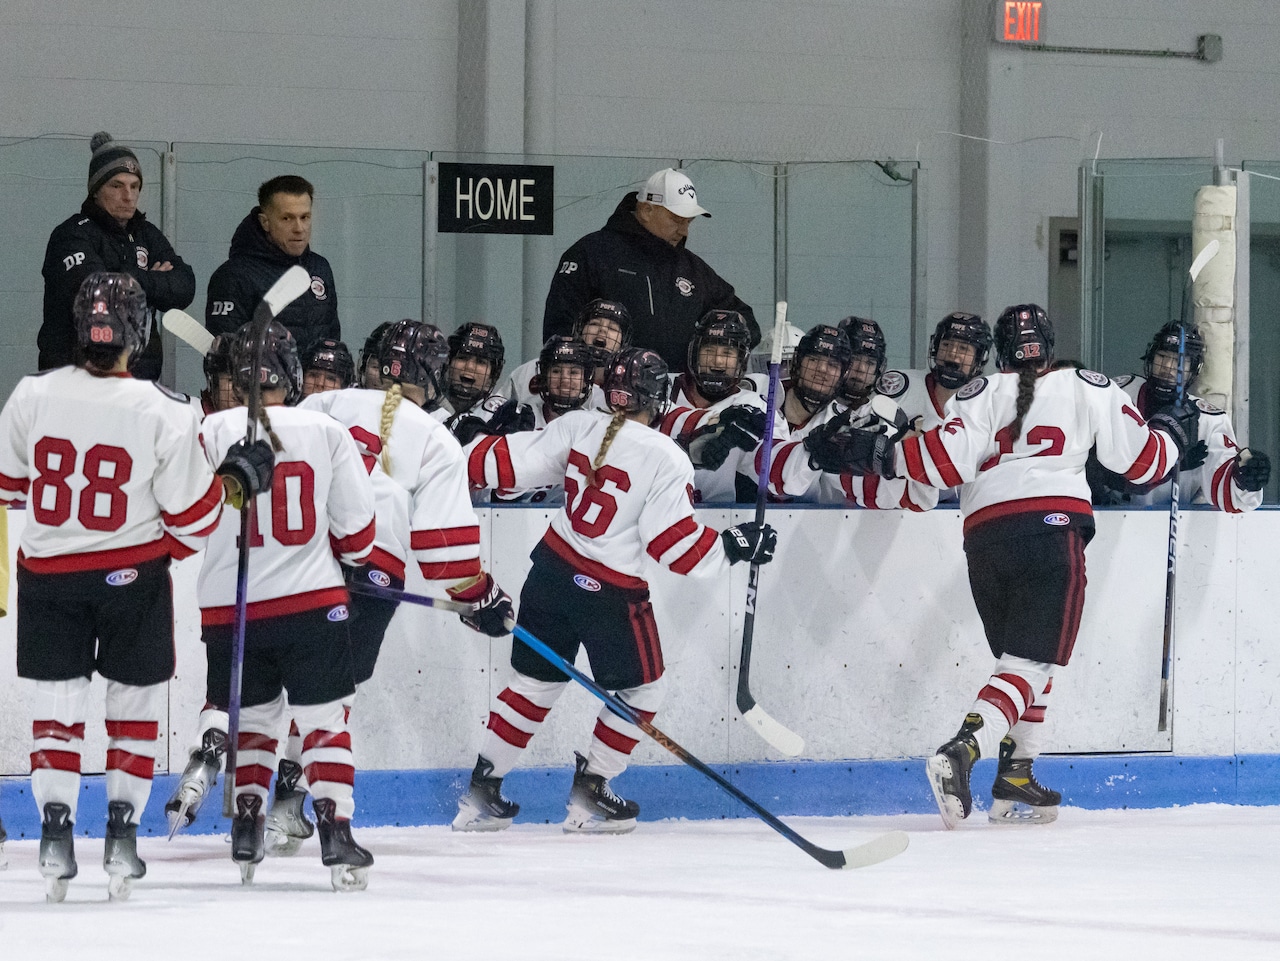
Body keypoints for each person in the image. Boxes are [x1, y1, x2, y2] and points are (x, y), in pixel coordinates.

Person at [837, 303, 1200, 829]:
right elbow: (1140, 463)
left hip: (984, 540)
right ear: (1050, 346)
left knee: (1024, 664)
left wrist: (875, 453)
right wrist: (1171, 434)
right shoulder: (1086, 384)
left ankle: (1016, 775)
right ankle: (961, 751)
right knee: (1030, 663)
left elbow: (941, 465)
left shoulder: (976, 393)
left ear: (999, 353)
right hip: (1052, 532)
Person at [0, 272, 270, 902]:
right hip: (133, 582)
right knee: (133, 710)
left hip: (45, 581)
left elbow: (8, 490)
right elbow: (195, 520)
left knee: (57, 711)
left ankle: (53, 832)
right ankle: (122, 835)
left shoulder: (30, 394)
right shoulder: (162, 409)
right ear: (137, 332)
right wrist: (232, 478)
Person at [456, 347, 777, 833]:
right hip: (610, 594)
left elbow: (505, 464)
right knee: (645, 689)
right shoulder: (666, 456)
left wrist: (443, 460)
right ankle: (591, 795)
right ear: (660, 396)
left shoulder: (579, 425)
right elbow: (677, 548)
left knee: (533, 684)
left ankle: (481, 794)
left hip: (549, 575)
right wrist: (736, 544)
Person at [274, 319, 513, 852]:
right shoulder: (435, 438)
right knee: (330, 694)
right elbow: (443, 548)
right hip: (371, 574)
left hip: (300, 565)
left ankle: (233, 765)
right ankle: (296, 803)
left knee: (275, 680)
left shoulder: (322, 404)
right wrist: (481, 599)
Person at [197, 320, 377, 891]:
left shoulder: (208, 430)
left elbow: (183, 514)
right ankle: (335, 828)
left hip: (231, 609)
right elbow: (359, 537)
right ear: (291, 373)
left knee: (251, 722)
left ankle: (247, 824)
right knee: (324, 722)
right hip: (311, 605)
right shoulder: (326, 431)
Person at [542, 168, 759, 369]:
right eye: (677, 220)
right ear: (647, 210)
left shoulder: (692, 269)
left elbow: (744, 320)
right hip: (602, 394)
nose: (684, 231)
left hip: (674, 396)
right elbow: (559, 328)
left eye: (689, 222)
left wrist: (719, 348)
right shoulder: (590, 254)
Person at [40, 133, 195, 380]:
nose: (128, 195)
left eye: (135, 186)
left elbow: (185, 287)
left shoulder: (146, 233)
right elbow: (98, 292)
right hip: (76, 382)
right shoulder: (71, 234)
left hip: (139, 381)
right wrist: (151, 279)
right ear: (95, 190)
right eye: (116, 186)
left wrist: (127, 278)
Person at [1091, 321, 1270, 511]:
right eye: (1162, 356)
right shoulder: (1118, 393)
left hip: (1174, 525)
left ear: (1194, 369)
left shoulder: (1208, 421)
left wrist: (1245, 478)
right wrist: (1170, 467)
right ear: (1150, 357)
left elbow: (1229, 496)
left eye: (1179, 361)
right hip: (1105, 515)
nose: (1168, 367)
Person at [765, 323, 935, 510]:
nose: (822, 369)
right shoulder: (759, 402)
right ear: (797, 362)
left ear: (842, 374)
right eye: (814, 359)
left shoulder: (845, 425)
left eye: (832, 365)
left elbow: (913, 498)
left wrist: (898, 459)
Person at [658, 309, 784, 504]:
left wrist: (809, 456)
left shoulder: (753, 406)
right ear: (695, 353)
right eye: (709, 351)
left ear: (741, 360)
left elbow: (778, 472)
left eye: (727, 353)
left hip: (718, 517)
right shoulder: (661, 388)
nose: (717, 361)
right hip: (656, 509)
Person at [205, 175, 340, 352]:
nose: (299, 228)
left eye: (305, 217)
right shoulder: (234, 275)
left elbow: (332, 339)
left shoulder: (320, 268)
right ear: (265, 222)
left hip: (315, 381)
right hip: (259, 380)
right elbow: (223, 357)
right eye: (287, 218)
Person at [874, 312, 992, 502]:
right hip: (893, 509)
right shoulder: (899, 388)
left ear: (979, 357)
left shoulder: (987, 403)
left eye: (963, 348)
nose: (952, 354)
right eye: (946, 345)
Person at [506, 298, 630, 410]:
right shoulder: (531, 370)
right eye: (594, 324)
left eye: (612, 328)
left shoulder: (628, 385)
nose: (602, 330)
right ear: (579, 331)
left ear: (623, 341)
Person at [358, 321, 396, 389]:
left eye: (388, 369)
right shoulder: (348, 397)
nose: (380, 377)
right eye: (376, 367)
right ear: (364, 368)